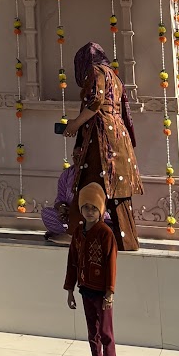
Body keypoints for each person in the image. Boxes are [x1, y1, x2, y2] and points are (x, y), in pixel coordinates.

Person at [62, 40, 143, 251]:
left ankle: (81, 238)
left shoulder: (96, 71)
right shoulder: (114, 76)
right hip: (117, 137)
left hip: (102, 139)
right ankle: (127, 240)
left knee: (89, 185)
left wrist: (74, 125)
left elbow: (95, 104)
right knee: (116, 191)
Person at [63, 181, 119, 356]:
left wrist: (110, 292)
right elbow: (72, 261)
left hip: (102, 292)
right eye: (85, 207)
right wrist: (70, 289)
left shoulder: (105, 233)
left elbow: (111, 263)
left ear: (101, 210)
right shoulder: (79, 232)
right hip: (85, 288)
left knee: (106, 333)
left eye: (94, 208)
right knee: (92, 332)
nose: (89, 211)